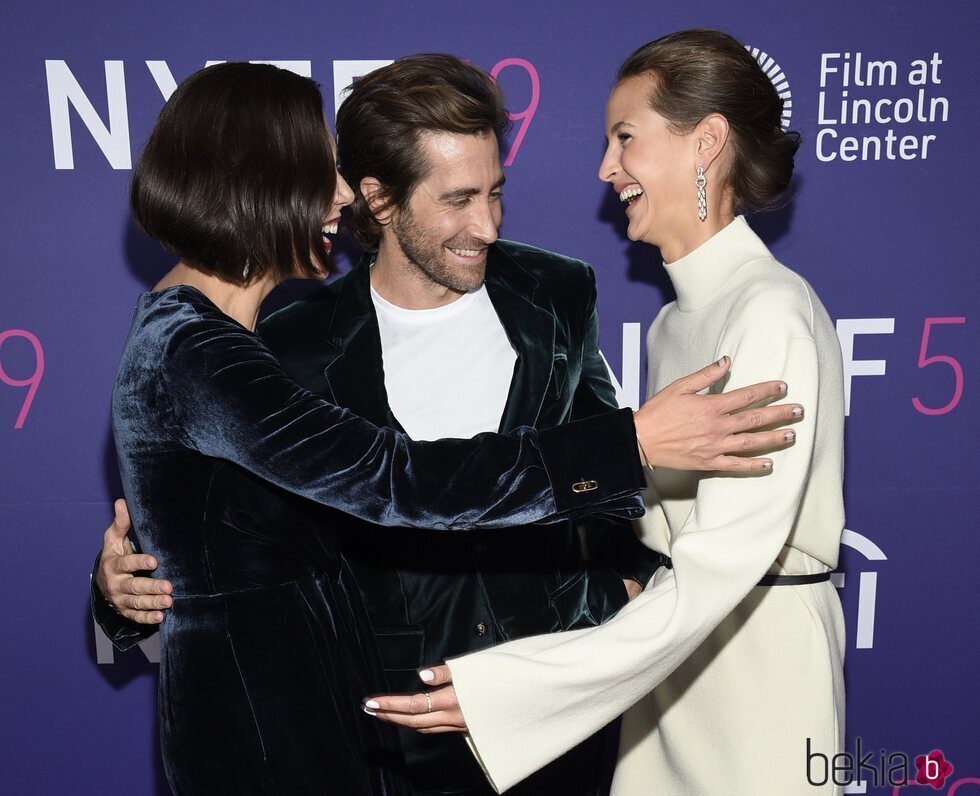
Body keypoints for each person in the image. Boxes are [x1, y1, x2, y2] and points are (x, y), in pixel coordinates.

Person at [94, 55, 801, 795]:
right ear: (381, 199)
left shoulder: (554, 293)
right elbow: (393, 482)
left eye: (495, 192)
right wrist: (633, 442)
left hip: (546, 704)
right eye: (459, 198)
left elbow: (213, 521)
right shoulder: (251, 350)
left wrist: (619, 589)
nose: (488, 224)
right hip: (371, 727)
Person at [368, 30, 847, 796]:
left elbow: (718, 565)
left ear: (707, 142)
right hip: (664, 670)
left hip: (755, 678)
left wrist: (514, 685)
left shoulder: (773, 314)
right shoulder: (671, 325)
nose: (605, 168)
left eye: (625, 138)